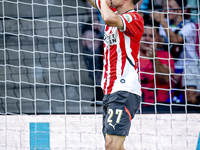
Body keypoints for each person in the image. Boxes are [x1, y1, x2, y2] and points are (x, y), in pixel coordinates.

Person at [86, 0, 144, 149]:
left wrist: (103, 3)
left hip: (124, 88)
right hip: (110, 90)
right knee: (114, 146)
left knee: (111, 144)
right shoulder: (111, 11)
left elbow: (108, 18)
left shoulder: (134, 18)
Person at [139, 19, 175, 113]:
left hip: (161, 108)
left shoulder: (165, 56)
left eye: (151, 36)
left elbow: (166, 79)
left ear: (157, 38)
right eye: (144, 35)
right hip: (134, 107)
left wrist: (154, 58)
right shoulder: (129, 56)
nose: (147, 39)